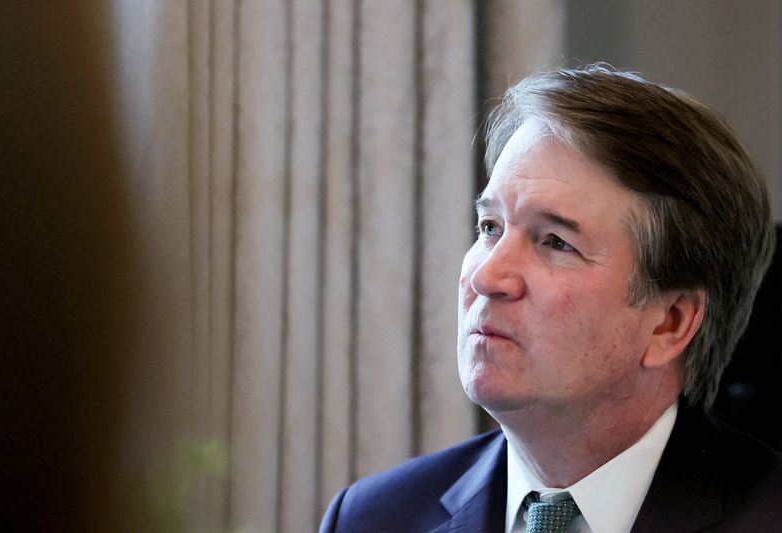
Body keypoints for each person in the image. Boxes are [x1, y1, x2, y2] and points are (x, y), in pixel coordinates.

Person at [319, 65, 782, 532]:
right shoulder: (372, 517)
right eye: (490, 228)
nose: (487, 275)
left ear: (670, 323)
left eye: (556, 242)